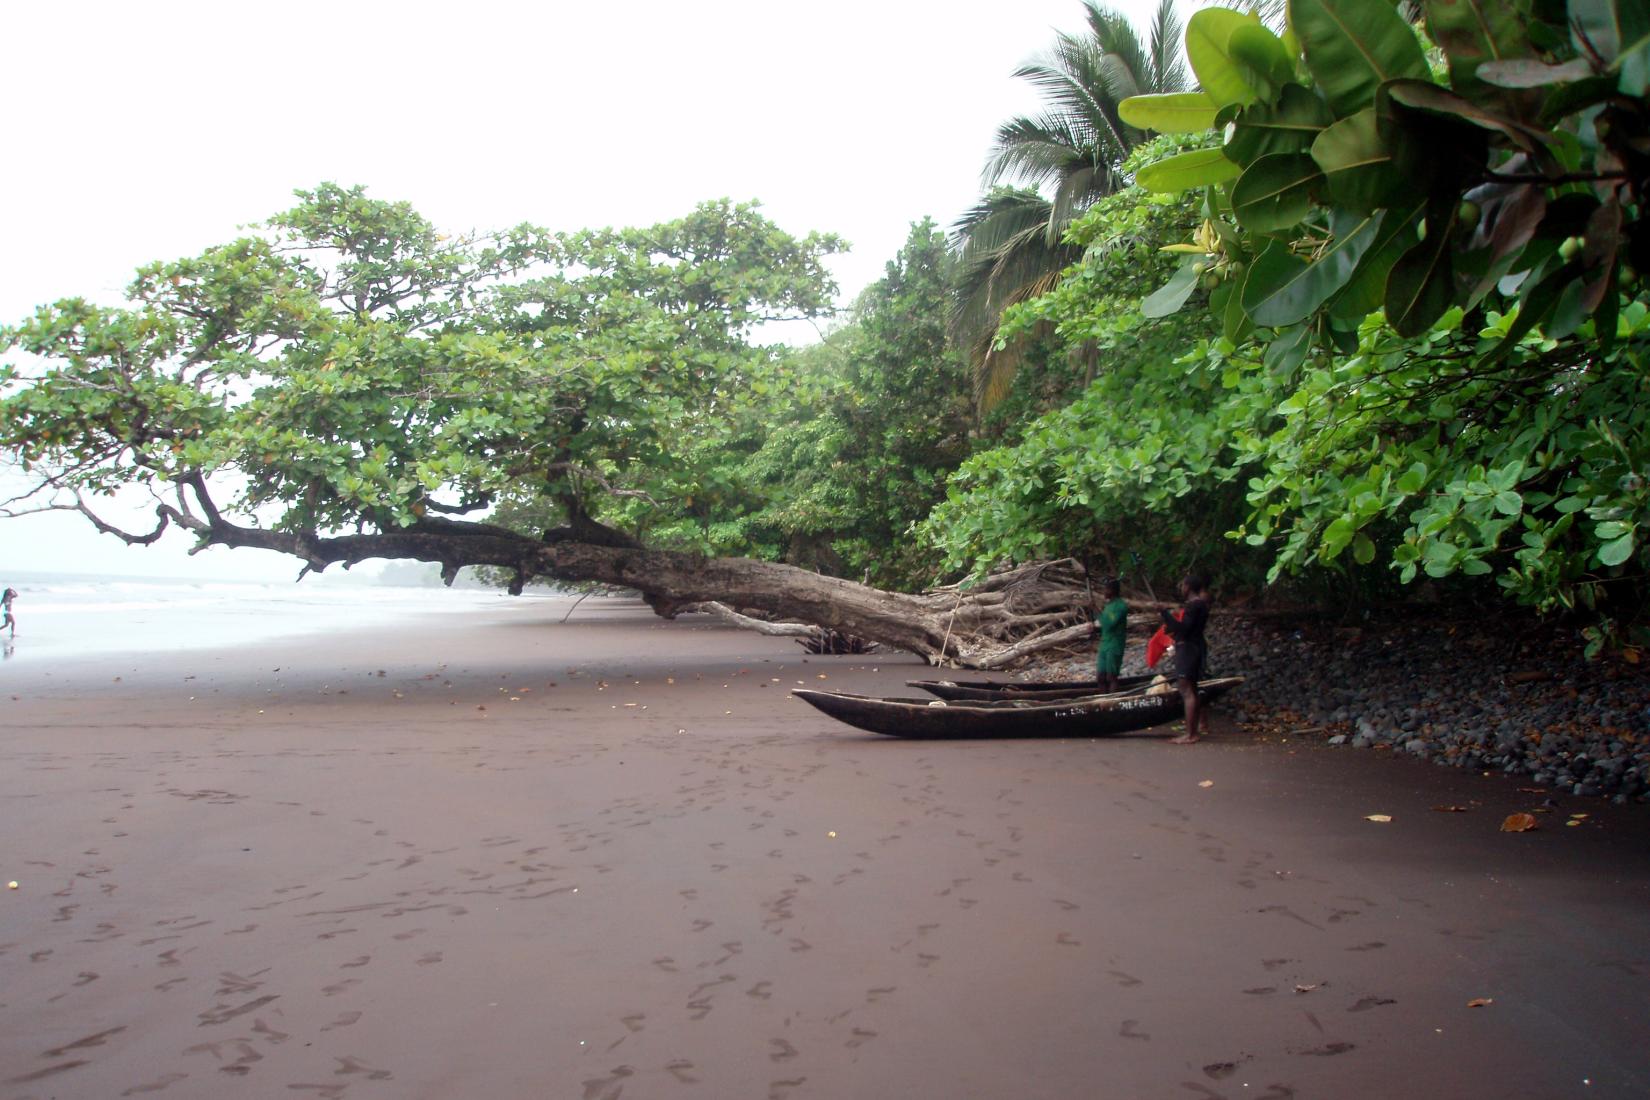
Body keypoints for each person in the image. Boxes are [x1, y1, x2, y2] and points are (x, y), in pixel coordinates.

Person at [1160, 573, 1210, 744]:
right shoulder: (1200, 605)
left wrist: (1165, 614)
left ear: (1188, 587)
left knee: (1186, 689)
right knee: (1192, 689)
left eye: (1183, 585)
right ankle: (1193, 731)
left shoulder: (1194, 606)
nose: (1181, 588)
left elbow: (1184, 628)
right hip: (1195, 646)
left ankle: (1190, 734)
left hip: (1188, 648)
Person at [1093, 578, 1128, 693]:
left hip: (1115, 645)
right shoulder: (1108, 605)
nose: (1104, 592)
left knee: (1111, 677)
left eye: (1106, 589)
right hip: (1105, 644)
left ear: (1112, 590)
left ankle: (1112, 703)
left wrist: (1095, 610)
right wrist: (1095, 628)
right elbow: (1104, 623)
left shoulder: (1120, 606)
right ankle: (1103, 701)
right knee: (1100, 677)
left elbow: (1109, 624)